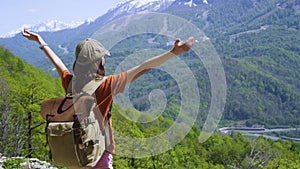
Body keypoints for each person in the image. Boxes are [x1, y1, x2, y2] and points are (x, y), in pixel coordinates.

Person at [22, 28, 194, 169]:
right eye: (102, 57)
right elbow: (144, 67)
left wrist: (41, 42)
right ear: (99, 62)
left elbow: (58, 64)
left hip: (75, 151)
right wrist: (173, 52)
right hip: (98, 153)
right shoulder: (106, 85)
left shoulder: (71, 83)